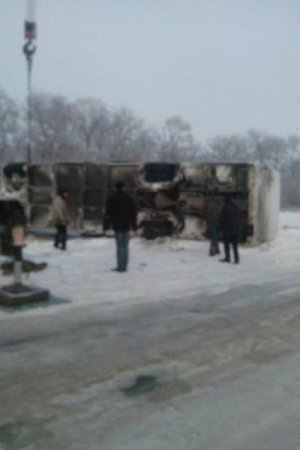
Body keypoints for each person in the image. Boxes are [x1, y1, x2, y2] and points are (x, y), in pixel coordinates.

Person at [103, 181, 137, 272]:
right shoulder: (129, 199)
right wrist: (134, 227)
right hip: (126, 225)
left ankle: (120, 266)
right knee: (125, 246)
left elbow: (108, 214)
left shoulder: (112, 199)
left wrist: (105, 227)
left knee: (119, 247)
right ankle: (124, 266)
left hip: (117, 226)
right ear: (124, 187)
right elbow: (133, 214)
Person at [218, 194, 240, 264]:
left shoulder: (224, 208)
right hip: (235, 230)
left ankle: (227, 257)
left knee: (226, 245)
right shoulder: (235, 207)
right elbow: (238, 218)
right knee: (235, 246)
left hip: (227, 230)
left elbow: (222, 219)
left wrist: (220, 229)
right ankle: (236, 259)